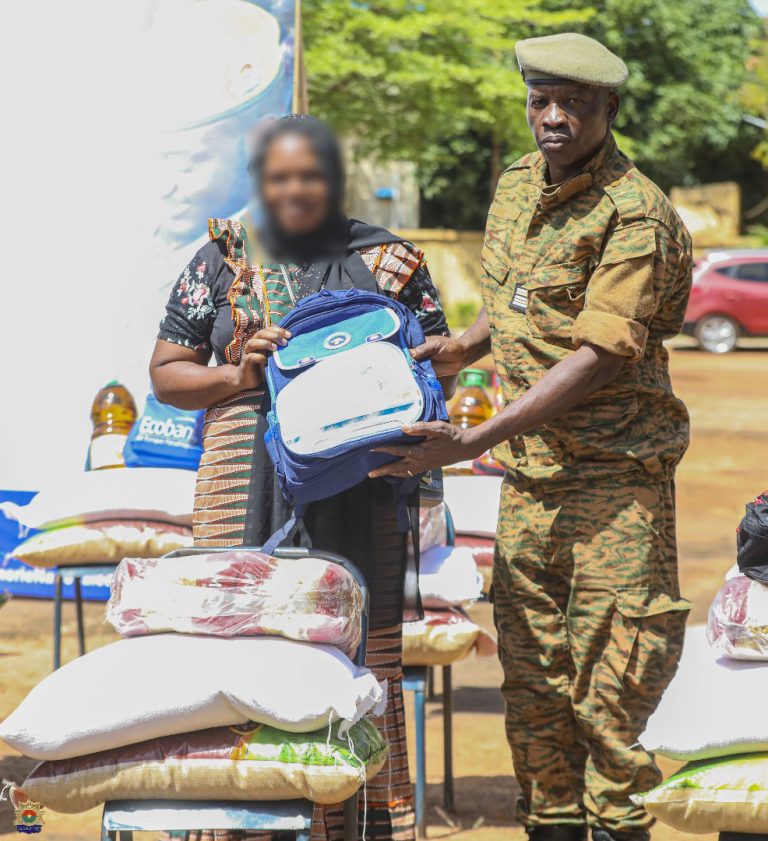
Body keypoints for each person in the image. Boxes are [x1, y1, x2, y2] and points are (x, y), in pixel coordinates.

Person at [371, 32, 693, 841]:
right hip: (532, 486)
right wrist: (468, 345)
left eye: (574, 104)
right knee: (536, 695)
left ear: (609, 109)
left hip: (614, 487)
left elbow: (596, 356)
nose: (553, 117)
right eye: (540, 100)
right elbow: (519, 305)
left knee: (611, 700)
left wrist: (473, 436)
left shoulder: (635, 215)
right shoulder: (515, 186)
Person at [150, 114, 452, 841]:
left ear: (335, 180)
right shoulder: (221, 259)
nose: (295, 190)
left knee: (357, 651)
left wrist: (395, 371)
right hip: (241, 483)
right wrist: (237, 371)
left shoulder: (390, 262)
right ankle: (234, 822)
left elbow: (438, 356)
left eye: (310, 176)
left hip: (363, 483)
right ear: (261, 181)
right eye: (279, 177)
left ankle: (353, 821)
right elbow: (165, 374)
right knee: (238, 643)